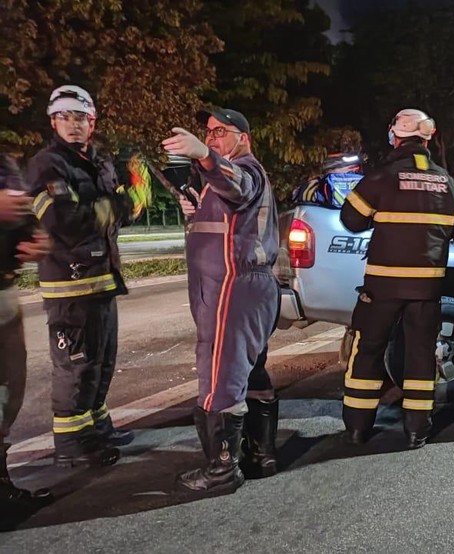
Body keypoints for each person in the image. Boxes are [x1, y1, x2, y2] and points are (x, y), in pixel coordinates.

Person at [162, 107, 279, 492]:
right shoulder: (218, 180)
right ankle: (260, 454)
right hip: (239, 286)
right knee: (251, 372)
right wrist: (196, 209)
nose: (211, 137)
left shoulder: (245, 168)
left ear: (243, 137)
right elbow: (228, 217)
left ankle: (221, 470)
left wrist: (203, 155)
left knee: (220, 375)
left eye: (220, 131)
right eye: (207, 132)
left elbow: (239, 185)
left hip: (234, 286)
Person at [26, 85, 136, 469]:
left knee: (102, 360)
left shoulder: (98, 162)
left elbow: (122, 208)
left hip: (102, 278)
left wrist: (132, 198)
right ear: (53, 121)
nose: (73, 125)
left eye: (80, 118)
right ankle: (72, 444)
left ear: (92, 122)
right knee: (76, 364)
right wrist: (113, 206)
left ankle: (97, 427)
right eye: (65, 118)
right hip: (69, 285)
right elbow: (62, 221)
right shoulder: (48, 165)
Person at [339, 108, 454, 450]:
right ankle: (416, 431)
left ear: (396, 136)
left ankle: (358, 427)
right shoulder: (446, 181)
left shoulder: (381, 178)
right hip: (427, 289)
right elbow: (451, 229)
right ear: (426, 138)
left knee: (368, 350)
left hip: (382, 287)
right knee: (421, 354)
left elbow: (351, 221)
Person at [0, 156, 53, 513]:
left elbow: (24, 214)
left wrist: (34, 237)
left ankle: (3, 488)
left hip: (4, 290)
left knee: (7, 393)